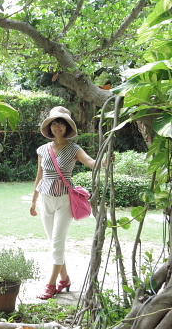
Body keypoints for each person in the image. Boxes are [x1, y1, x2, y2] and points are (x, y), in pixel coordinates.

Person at [30, 106, 112, 300]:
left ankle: (51, 285)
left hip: (65, 200)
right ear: (49, 127)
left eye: (61, 123)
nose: (57, 126)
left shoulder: (74, 149)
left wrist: (105, 161)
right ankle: (65, 279)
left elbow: (93, 163)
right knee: (53, 243)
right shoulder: (42, 150)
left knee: (57, 243)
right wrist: (34, 201)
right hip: (46, 199)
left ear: (67, 127)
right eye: (54, 123)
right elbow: (39, 176)